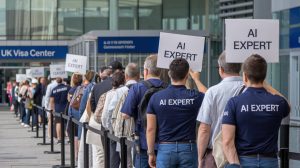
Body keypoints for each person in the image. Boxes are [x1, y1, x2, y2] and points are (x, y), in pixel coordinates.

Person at [222, 54, 290, 168]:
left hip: (243, 161)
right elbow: (287, 105)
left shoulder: (234, 103)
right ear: (264, 76)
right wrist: (266, 85)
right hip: (270, 162)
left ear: (245, 76)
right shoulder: (278, 102)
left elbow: (227, 141)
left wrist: (236, 165)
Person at [146, 58, 206, 168]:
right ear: (187, 75)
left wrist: (151, 153)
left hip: (165, 149)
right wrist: (196, 80)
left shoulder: (156, 97)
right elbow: (209, 96)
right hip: (188, 148)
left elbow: (150, 129)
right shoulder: (194, 96)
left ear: (169, 74)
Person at [196, 51, 243, 167]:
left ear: (221, 69)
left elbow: (204, 129)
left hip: (217, 156)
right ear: (240, 68)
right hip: (242, 153)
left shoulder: (213, 92)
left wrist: (200, 157)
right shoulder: (248, 89)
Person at [121, 54, 165, 168]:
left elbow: (125, 114)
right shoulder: (167, 87)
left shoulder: (137, 88)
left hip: (143, 141)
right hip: (164, 143)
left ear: (145, 71)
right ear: (160, 71)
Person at [101, 71, 125, 168]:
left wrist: (109, 128)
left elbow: (106, 114)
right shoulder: (126, 90)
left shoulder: (110, 94)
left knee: (114, 157)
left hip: (113, 129)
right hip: (124, 129)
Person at [50, 77, 71, 143]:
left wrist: (52, 109)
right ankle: (69, 137)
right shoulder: (67, 87)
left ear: (56, 82)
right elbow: (70, 97)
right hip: (66, 107)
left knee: (58, 123)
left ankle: (59, 138)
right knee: (68, 122)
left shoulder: (54, 89)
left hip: (57, 108)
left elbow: (51, 101)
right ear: (62, 81)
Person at [68, 73, 83, 161]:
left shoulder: (72, 90)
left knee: (75, 135)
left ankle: (76, 154)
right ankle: (79, 154)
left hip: (74, 114)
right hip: (81, 114)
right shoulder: (84, 88)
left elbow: (70, 101)